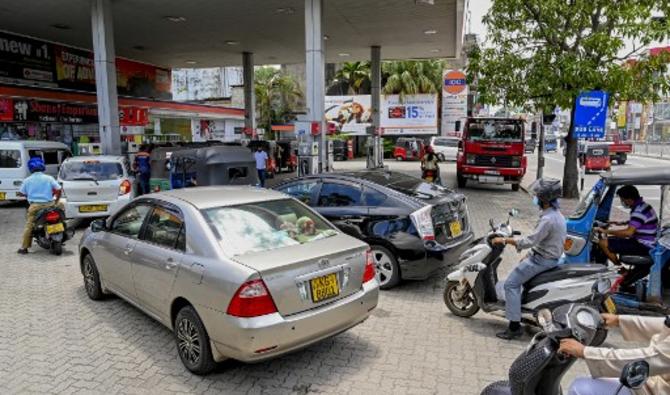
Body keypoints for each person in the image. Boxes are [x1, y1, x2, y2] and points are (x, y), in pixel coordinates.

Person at [492, 178, 566, 340]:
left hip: (542, 260)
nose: (535, 198)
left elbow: (529, 241)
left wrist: (504, 240)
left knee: (511, 284)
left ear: (544, 199)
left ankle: (514, 327)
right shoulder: (555, 215)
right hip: (546, 257)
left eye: (537, 196)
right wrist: (528, 254)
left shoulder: (548, 219)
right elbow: (540, 242)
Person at [560, 313, 670, 395]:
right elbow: (666, 323)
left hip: (657, 388)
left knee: (580, 388)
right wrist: (619, 321)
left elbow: (652, 358)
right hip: (653, 379)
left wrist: (584, 352)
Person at [596, 185, 658, 265]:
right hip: (647, 241)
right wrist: (622, 223)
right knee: (613, 238)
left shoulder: (638, 212)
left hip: (643, 245)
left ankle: (621, 269)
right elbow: (641, 221)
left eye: (623, 200)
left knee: (602, 242)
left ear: (629, 199)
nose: (623, 202)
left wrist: (606, 231)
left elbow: (628, 233)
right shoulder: (644, 206)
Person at [16, 157, 62, 254]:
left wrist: (23, 194)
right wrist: (56, 200)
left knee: (29, 226)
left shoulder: (27, 180)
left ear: (30, 168)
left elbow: (21, 193)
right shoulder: (49, 178)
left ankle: (24, 248)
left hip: (35, 207)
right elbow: (58, 189)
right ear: (42, 166)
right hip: (50, 205)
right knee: (61, 215)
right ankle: (62, 231)